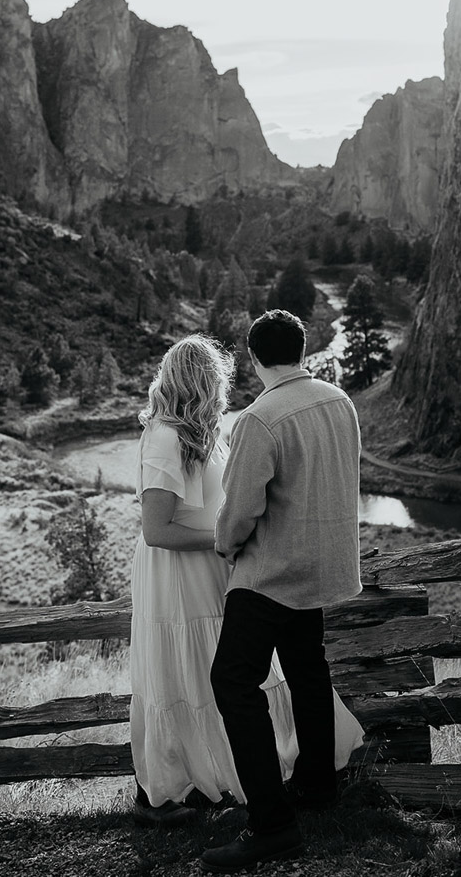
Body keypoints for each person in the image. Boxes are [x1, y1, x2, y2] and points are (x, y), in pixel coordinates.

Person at [129, 332, 362, 827]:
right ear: (200, 382)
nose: (222, 389)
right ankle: (164, 791)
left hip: (223, 570)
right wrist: (222, 541)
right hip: (181, 577)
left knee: (227, 678)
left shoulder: (211, 434)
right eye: (215, 380)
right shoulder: (165, 436)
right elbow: (155, 530)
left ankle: (234, 778)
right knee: (188, 674)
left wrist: (234, 542)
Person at [200, 310, 363, 873]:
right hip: (322, 566)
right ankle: (318, 789)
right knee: (308, 671)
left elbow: (240, 510)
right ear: (302, 348)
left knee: (232, 681)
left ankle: (271, 824)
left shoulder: (259, 418)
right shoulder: (339, 400)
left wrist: (225, 544)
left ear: (254, 357)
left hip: (270, 573)